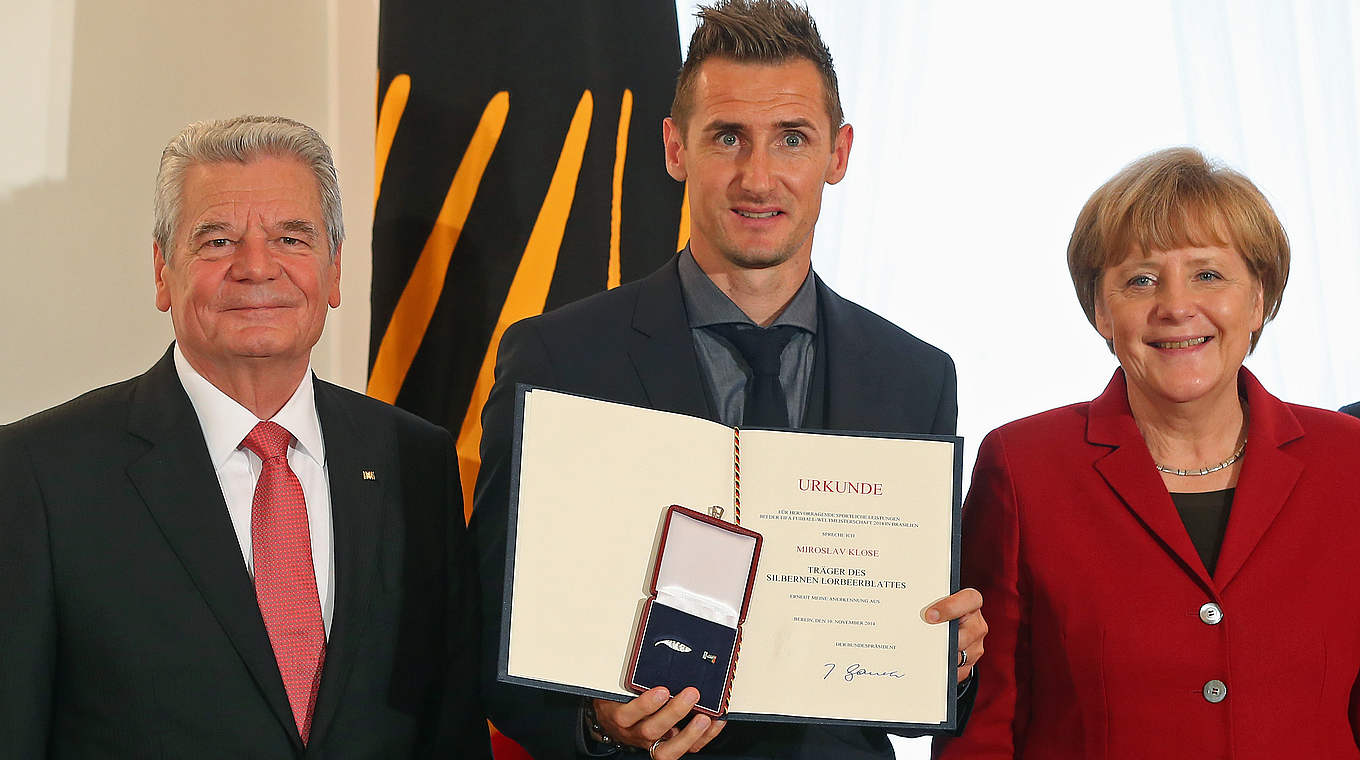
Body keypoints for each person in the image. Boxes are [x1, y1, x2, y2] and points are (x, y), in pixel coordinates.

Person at [471, 2, 986, 759]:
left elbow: (910, 682)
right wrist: (595, 726)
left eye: (792, 139)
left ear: (838, 155)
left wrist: (950, 663)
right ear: (676, 148)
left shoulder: (914, 376)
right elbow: (487, 627)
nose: (758, 176)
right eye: (727, 138)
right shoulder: (558, 360)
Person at [0, 115, 491, 758]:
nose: (256, 267)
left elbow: (450, 730)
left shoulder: (415, 461)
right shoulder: (39, 475)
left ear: (334, 269)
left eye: (292, 238)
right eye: (217, 240)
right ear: (161, 270)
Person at [932, 147, 1360, 759]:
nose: (1176, 306)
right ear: (1101, 310)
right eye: (1141, 279)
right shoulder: (1024, 468)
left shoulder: (1349, 464)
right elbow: (984, 725)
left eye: (1208, 274)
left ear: (1259, 299)